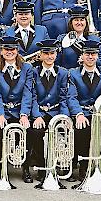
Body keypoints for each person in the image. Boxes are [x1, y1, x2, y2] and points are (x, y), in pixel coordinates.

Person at [65, 39, 101, 183]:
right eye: (87, 54)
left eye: (93, 54)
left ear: (97, 56)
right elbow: (71, 97)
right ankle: (84, 166)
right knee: (82, 129)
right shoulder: (73, 73)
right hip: (83, 113)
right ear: (82, 55)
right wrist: (78, 114)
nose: (90, 57)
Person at [0, 36, 35, 184]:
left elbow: (28, 92)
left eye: (13, 49)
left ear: (17, 51)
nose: (9, 52)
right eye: (6, 49)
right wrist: (0, 114)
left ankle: (25, 168)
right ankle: (1, 168)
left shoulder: (27, 68)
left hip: (19, 110)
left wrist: (24, 114)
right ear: (1, 51)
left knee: (28, 131)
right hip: (2, 110)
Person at [27, 39, 70, 184]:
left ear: (56, 54)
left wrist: (64, 117)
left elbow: (64, 97)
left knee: (63, 130)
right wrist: (37, 115)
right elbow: (31, 96)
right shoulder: (33, 72)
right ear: (40, 55)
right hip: (39, 112)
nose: (49, 56)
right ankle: (41, 165)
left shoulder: (63, 73)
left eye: (52, 53)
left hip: (56, 112)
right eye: (46, 53)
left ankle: (61, 164)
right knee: (36, 131)